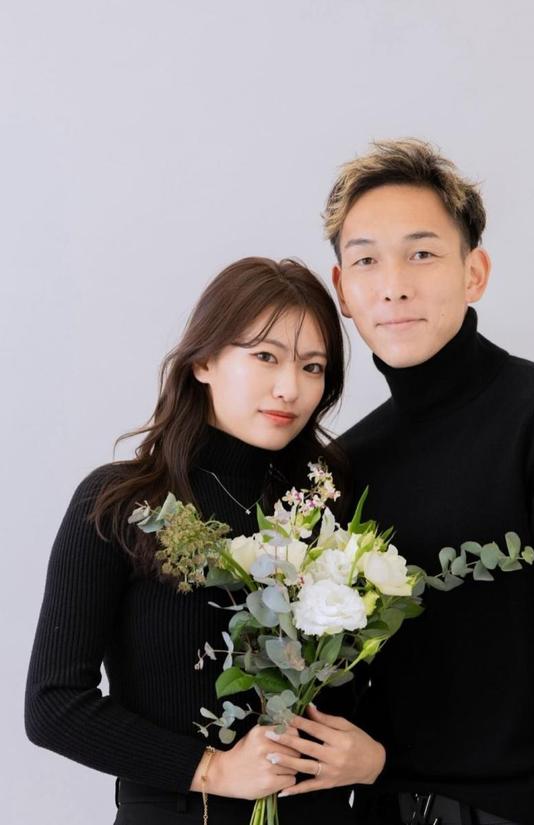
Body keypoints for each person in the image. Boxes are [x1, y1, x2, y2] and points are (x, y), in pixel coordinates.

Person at [278, 140, 534, 825]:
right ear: (343, 290)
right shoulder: (346, 463)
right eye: (366, 260)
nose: (393, 285)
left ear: (474, 272)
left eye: (421, 253)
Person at [24, 257, 385, 825]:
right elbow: (54, 705)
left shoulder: (330, 506)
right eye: (265, 356)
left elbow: (377, 683)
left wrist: (376, 758)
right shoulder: (122, 503)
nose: (290, 388)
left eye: (313, 367)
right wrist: (210, 769)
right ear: (204, 361)